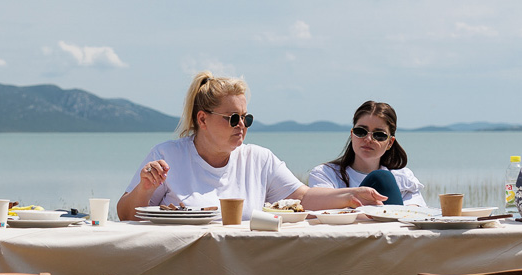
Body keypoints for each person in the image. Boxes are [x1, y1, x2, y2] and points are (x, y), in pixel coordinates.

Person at [117, 73, 384, 221]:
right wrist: (145, 187)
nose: (241, 125)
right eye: (233, 118)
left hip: (243, 267)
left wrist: (352, 195)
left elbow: (303, 198)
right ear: (202, 119)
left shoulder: (259, 159)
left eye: (246, 118)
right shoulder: (167, 156)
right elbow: (126, 215)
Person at [307, 101, 424, 206]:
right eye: (361, 132)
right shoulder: (326, 174)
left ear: (390, 142)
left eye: (379, 135)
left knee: (383, 177)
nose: (368, 139)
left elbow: (413, 215)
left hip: (392, 230)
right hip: (348, 229)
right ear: (352, 135)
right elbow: (321, 210)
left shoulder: (403, 178)